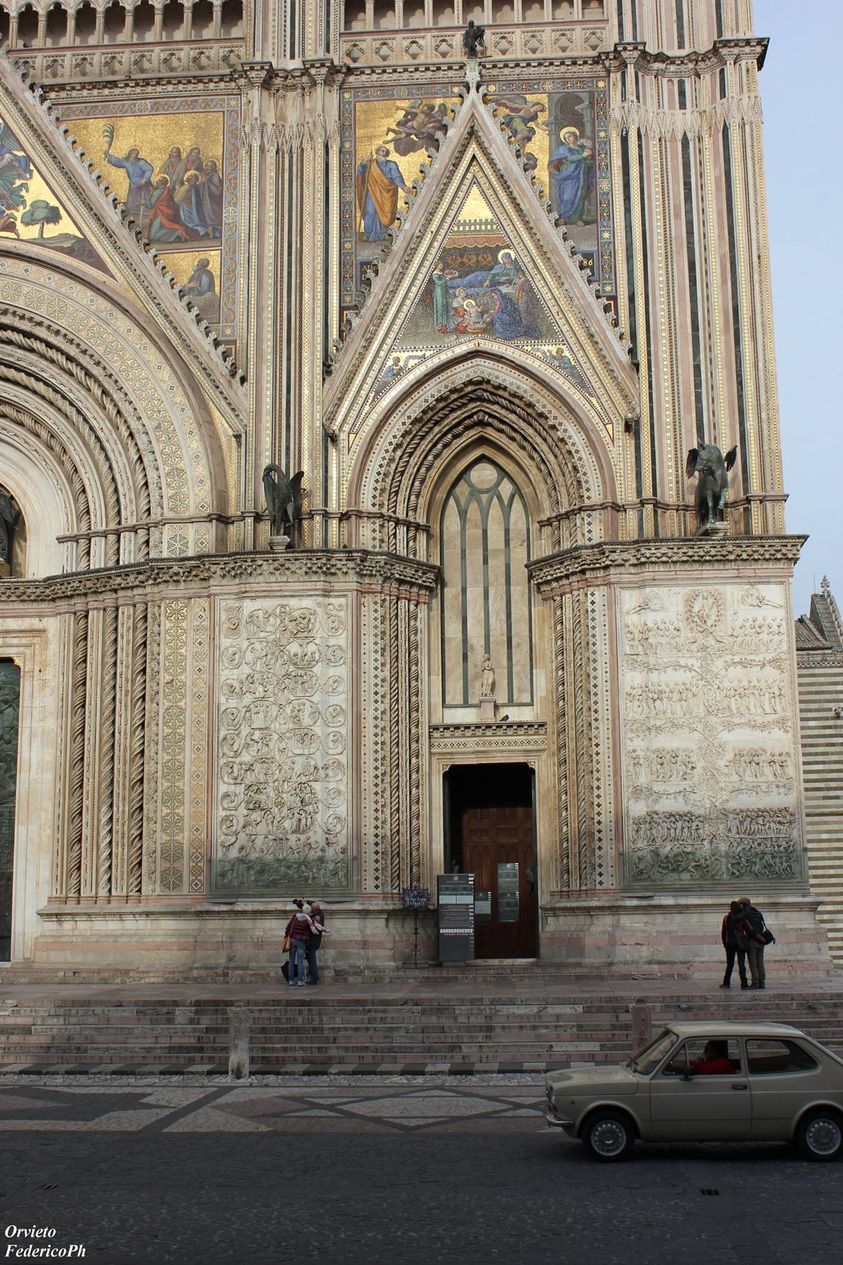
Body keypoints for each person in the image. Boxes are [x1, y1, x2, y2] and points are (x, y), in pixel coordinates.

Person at [355, 145, 409, 242]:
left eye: (384, 151)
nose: (383, 153)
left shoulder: (391, 165)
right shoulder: (370, 164)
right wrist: (363, 162)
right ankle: (367, 234)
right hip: (373, 192)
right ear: (377, 152)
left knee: (387, 214)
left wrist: (403, 186)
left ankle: (382, 235)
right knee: (370, 212)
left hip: (387, 193)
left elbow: (397, 176)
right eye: (381, 151)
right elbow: (360, 172)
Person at [547, 125, 594, 224]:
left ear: (575, 136)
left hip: (580, 174)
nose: (568, 139)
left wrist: (588, 155)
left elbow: (586, 159)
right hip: (568, 175)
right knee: (567, 196)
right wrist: (582, 156)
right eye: (566, 137)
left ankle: (577, 219)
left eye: (570, 136)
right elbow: (569, 158)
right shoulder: (564, 149)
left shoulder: (581, 148)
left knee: (580, 196)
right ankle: (564, 217)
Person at [103, 145, 154, 223]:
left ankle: (146, 211)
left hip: (143, 183)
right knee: (131, 202)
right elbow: (118, 162)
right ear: (129, 153)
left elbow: (149, 169)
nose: (135, 155)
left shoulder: (141, 162)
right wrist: (109, 156)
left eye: (136, 153)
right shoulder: (126, 162)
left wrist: (144, 180)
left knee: (144, 197)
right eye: (133, 153)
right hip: (133, 183)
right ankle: (134, 210)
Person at [737, 896, 767, 989]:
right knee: (760, 963)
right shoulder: (757, 912)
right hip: (761, 939)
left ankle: (755, 982)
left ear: (742, 905)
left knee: (753, 963)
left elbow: (736, 918)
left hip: (753, 940)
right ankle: (762, 982)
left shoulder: (746, 912)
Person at [284, 899, 315, 988]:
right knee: (300, 961)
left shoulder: (294, 917)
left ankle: (290, 980)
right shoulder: (308, 920)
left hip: (293, 940)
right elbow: (311, 931)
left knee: (291, 960)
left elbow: (288, 927)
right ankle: (300, 981)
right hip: (301, 941)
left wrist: (286, 936)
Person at [720, 899, 749, 990]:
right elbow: (747, 930)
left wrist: (725, 943)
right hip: (740, 942)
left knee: (730, 964)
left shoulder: (726, 918)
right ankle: (744, 984)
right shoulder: (742, 918)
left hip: (729, 944)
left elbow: (723, 933)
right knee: (741, 964)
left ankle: (726, 982)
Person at [306, 900, 327, 985]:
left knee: (312, 960)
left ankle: (315, 978)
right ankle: (312, 976)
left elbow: (315, 929)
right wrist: (306, 901)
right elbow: (314, 904)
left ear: (313, 909)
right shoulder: (320, 913)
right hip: (314, 941)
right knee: (310, 959)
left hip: (313, 942)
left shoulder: (316, 917)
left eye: (311, 908)